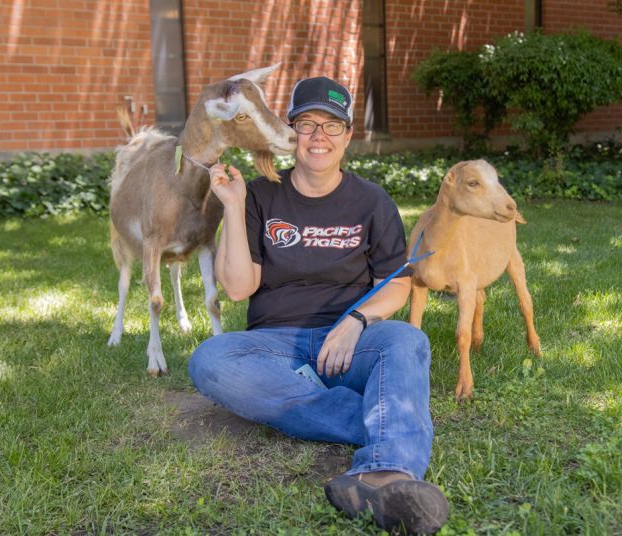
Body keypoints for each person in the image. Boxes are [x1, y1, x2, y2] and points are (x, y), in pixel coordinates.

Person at [188, 76, 448, 534]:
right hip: (274, 346)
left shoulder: (372, 202)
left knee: (406, 339)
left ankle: (385, 473)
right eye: (307, 124)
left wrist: (355, 320)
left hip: (351, 344)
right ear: (292, 133)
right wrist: (232, 205)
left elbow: (396, 284)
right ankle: (385, 417)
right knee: (211, 359)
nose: (318, 137)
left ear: (348, 135)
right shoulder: (260, 195)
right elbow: (237, 288)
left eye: (331, 126)